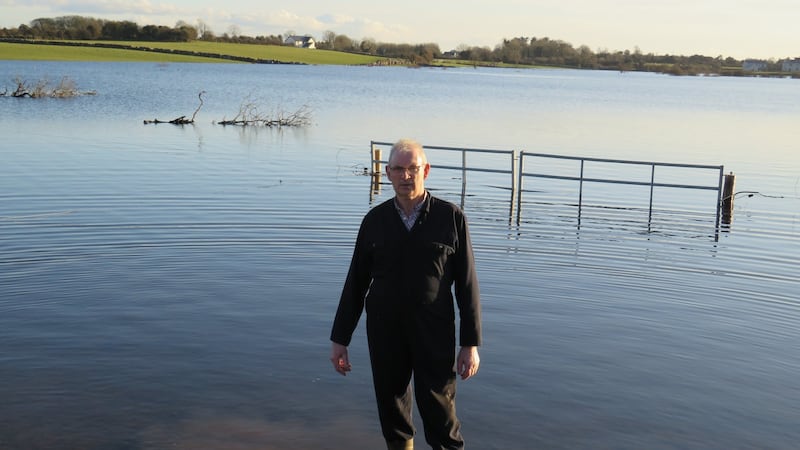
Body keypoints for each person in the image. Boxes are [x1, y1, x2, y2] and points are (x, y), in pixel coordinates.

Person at [330, 138, 482, 450]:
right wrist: (340, 339)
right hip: (386, 330)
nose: (405, 176)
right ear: (387, 173)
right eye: (398, 169)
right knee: (393, 411)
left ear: (425, 169)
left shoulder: (451, 218)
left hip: (434, 330)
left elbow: (467, 287)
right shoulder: (375, 221)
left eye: (412, 168)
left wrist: (470, 344)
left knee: (441, 414)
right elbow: (356, 284)